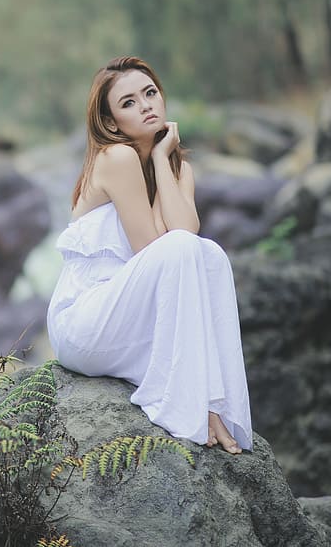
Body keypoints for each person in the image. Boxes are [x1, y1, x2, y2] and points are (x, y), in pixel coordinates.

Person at [46, 56, 253, 454]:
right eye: (128, 102)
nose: (145, 105)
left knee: (210, 256)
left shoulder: (178, 169)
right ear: (110, 123)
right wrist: (158, 163)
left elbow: (186, 236)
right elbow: (156, 249)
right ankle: (196, 404)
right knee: (182, 249)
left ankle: (211, 403)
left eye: (150, 92)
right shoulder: (116, 158)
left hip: (132, 318)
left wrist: (162, 162)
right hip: (85, 321)